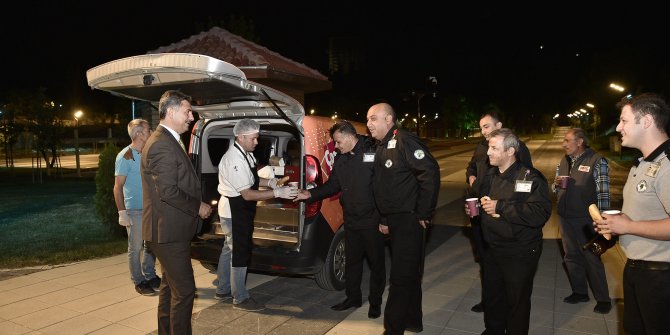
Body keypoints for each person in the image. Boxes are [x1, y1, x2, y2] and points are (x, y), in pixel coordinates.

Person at [294, 120, 386, 319]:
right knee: (352, 262)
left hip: (372, 220)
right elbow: (333, 185)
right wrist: (309, 195)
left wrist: (385, 219)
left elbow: (386, 188)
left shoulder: (373, 151)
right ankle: (353, 298)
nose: (335, 146)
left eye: (337, 142)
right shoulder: (341, 158)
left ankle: (375, 302)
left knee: (376, 263)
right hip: (351, 219)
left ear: (348, 136)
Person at [594, 93, 670, 334]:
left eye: (624, 121)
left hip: (661, 276)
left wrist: (627, 227)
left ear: (646, 121)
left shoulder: (667, 165)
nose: (618, 127)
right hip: (637, 269)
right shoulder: (642, 164)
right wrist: (614, 226)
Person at [141, 90, 213, 335]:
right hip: (167, 232)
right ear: (170, 112)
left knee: (169, 288)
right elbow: (168, 191)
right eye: (187, 111)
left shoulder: (168, 139)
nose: (191, 117)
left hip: (169, 230)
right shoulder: (161, 144)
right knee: (185, 291)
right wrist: (198, 206)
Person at [366, 102, 440, 335]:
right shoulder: (382, 145)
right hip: (395, 219)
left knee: (399, 277)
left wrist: (423, 213)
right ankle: (412, 321)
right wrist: (385, 219)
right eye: (368, 119)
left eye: (373, 118)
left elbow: (430, 173)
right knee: (409, 275)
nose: (369, 124)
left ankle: (393, 329)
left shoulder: (405, 141)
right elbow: (387, 187)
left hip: (410, 219)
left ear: (388, 119)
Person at [472, 128, 551, 335]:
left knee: (517, 301)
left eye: (494, 148)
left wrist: (501, 207)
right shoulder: (489, 176)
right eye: (489, 147)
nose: (488, 152)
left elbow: (540, 213)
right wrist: (477, 210)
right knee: (493, 296)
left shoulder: (530, 177)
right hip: (493, 249)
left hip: (520, 251)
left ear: (510, 151)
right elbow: (484, 204)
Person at [215, 118, 298, 312]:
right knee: (239, 251)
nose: (256, 142)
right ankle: (240, 297)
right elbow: (247, 194)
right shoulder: (233, 159)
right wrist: (278, 193)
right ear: (241, 137)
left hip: (239, 208)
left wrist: (269, 183)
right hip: (234, 210)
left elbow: (251, 178)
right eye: (253, 138)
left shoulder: (246, 153)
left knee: (229, 248)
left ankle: (223, 288)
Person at [465, 108, 533, 313]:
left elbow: (525, 181)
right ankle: (489, 301)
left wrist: (504, 205)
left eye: (486, 127)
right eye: (481, 128)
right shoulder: (481, 147)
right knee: (486, 259)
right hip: (480, 209)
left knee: (503, 264)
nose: (483, 132)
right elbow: (471, 167)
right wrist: (472, 180)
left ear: (499, 126)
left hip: (501, 213)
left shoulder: (516, 147)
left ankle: (506, 303)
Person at [554, 128, 612, 314]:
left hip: (587, 220)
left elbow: (603, 193)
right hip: (565, 217)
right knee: (571, 256)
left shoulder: (597, 161)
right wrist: (555, 184)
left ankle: (603, 299)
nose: (563, 144)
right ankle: (579, 292)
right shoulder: (564, 161)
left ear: (580, 142)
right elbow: (555, 187)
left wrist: (603, 220)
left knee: (591, 257)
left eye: (567, 140)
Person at [113, 119, 160, 296]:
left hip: (150, 208)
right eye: (148, 130)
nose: (151, 132)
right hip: (134, 211)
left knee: (151, 245)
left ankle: (150, 275)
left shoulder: (147, 153)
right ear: (139, 133)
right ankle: (138, 281)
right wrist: (122, 212)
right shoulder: (125, 156)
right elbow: (117, 187)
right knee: (136, 248)